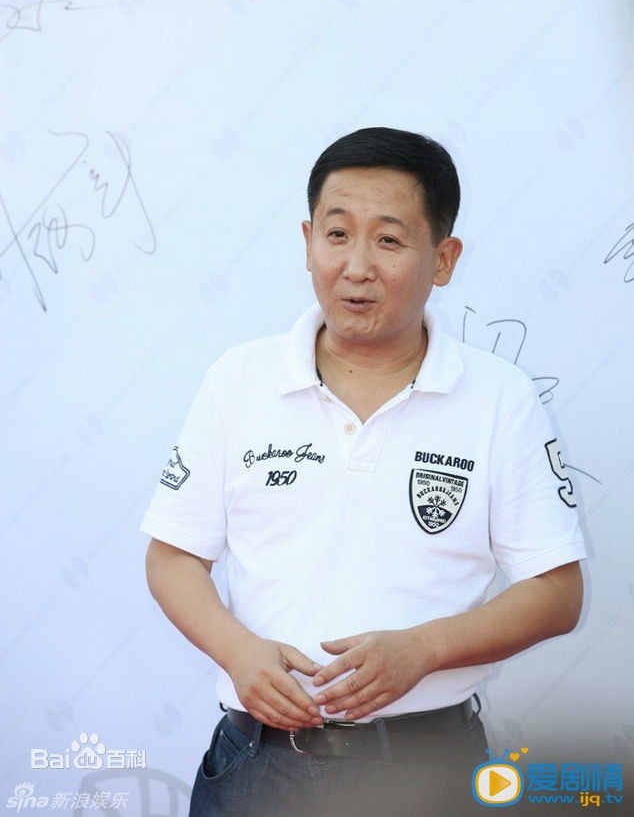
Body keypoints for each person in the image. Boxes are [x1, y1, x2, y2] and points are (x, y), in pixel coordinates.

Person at [141, 127, 586, 816]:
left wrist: (423, 649)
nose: (356, 266)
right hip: (260, 767)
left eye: (388, 240)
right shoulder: (239, 380)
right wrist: (238, 651)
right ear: (307, 242)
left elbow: (557, 593)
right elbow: (172, 556)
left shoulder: (500, 397)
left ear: (444, 260)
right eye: (337, 234)